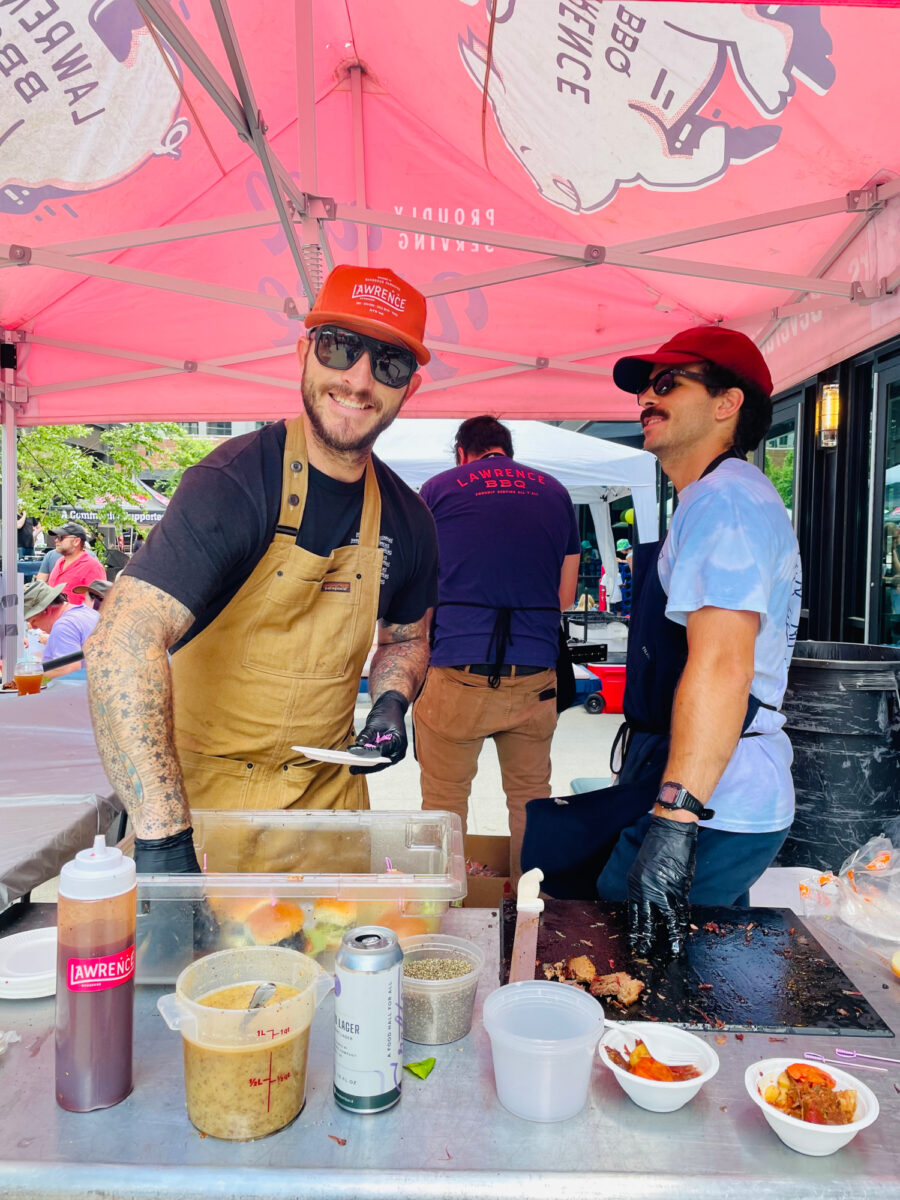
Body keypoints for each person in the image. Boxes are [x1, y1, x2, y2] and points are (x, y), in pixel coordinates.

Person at [85, 265, 438, 875]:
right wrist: (162, 838)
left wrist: (389, 703)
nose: (358, 380)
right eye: (339, 347)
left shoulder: (409, 519)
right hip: (202, 809)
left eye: (389, 364)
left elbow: (405, 638)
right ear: (305, 353)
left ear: (409, 387)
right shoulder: (231, 484)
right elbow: (122, 640)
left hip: (327, 809)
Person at [590, 325, 801, 957]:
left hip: (718, 798)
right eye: (644, 390)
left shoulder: (724, 504)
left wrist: (675, 821)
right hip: (723, 787)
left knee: (625, 952)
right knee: (698, 965)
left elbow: (721, 668)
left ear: (726, 403)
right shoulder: (717, 497)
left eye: (666, 384)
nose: (645, 401)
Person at [414, 415, 580, 882]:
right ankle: (527, 913)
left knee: (444, 805)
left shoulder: (439, 490)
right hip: (533, 676)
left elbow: (420, 589)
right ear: (506, 449)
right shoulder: (555, 492)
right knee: (530, 799)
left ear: (461, 452)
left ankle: (442, 911)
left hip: (457, 670)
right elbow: (564, 597)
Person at [24, 581, 100, 678]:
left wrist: (29, 674)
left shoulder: (64, 626)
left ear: (45, 610)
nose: (34, 627)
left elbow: (69, 671)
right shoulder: (89, 612)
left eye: (33, 620)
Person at [46, 523, 105, 604]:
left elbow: (99, 603)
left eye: (60, 537)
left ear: (76, 541)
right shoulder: (59, 562)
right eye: (56, 537)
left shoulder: (93, 567)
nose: (56, 540)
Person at [611, 538, 633, 617]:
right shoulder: (634, 552)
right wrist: (621, 561)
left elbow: (632, 569)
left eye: (620, 550)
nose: (620, 551)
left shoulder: (629, 556)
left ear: (624, 549)